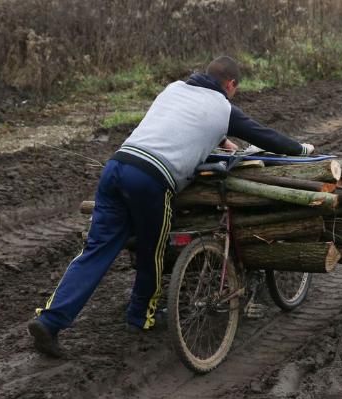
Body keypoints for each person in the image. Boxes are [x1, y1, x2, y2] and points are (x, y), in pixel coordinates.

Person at [27, 56, 314, 358]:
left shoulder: (174, 89)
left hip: (116, 167)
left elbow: (181, 124)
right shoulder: (223, 107)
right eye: (234, 89)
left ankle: (50, 320)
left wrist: (221, 139)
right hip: (151, 181)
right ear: (231, 84)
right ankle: (141, 317)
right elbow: (265, 136)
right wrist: (300, 149)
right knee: (154, 251)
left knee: (95, 250)